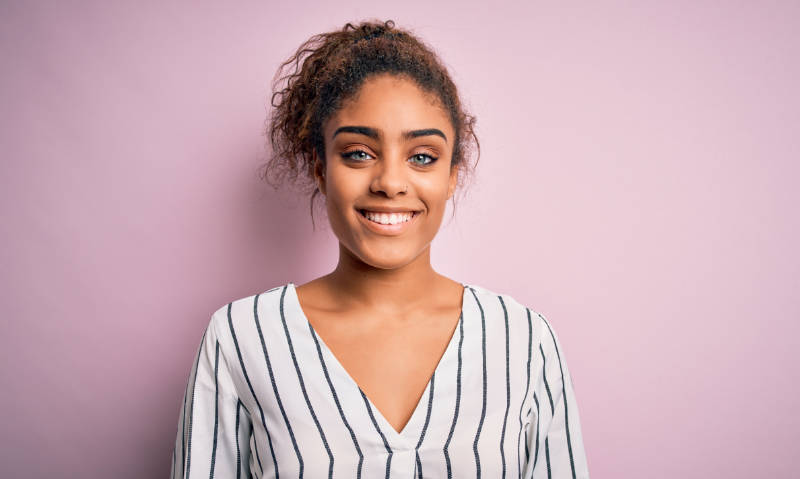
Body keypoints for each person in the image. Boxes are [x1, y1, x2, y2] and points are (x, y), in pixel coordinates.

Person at [171, 19, 590, 479]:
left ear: (451, 174)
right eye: (359, 152)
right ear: (320, 166)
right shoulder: (241, 338)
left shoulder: (524, 341)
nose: (390, 182)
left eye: (422, 157)